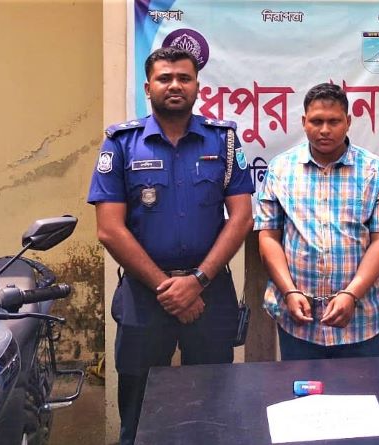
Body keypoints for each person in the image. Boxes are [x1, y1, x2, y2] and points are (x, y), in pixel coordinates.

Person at [87, 47, 254, 444]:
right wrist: (168, 287)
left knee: (213, 408)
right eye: (165, 78)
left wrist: (197, 281)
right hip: (145, 294)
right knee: (138, 411)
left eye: (184, 78)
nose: (175, 85)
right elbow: (109, 229)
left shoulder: (225, 141)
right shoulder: (121, 144)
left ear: (197, 86)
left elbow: (242, 218)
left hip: (209, 292)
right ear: (148, 88)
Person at [255, 82, 379, 360]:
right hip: (299, 320)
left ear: (348, 122)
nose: (324, 130)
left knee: (363, 389)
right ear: (303, 122)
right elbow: (268, 237)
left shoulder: (376, 171)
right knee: (300, 389)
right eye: (316, 121)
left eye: (333, 121)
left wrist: (351, 294)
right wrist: (289, 291)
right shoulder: (280, 169)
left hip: (362, 321)